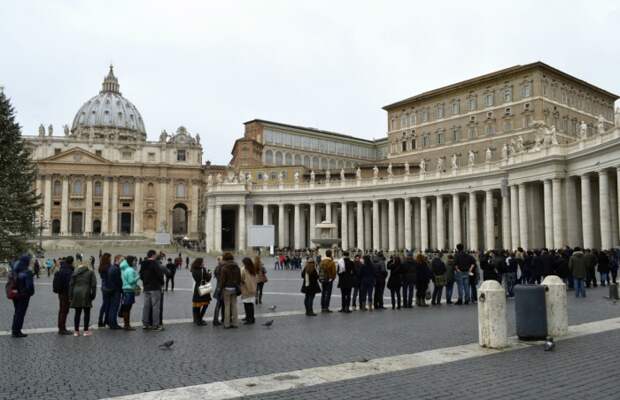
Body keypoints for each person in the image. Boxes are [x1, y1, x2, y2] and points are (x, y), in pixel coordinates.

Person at [70, 258, 97, 336]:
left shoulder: (75, 272)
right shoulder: (90, 272)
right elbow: (94, 285)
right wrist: (93, 295)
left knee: (77, 313)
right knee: (87, 312)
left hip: (76, 293)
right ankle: (85, 331)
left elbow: (71, 285)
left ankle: (76, 331)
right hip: (86, 292)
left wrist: (70, 295)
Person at [10, 255, 35, 338]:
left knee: (17, 312)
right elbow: (29, 286)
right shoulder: (27, 272)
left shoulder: (15, 270)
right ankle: (17, 331)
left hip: (15, 294)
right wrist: (29, 293)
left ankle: (14, 330)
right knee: (20, 313)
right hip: (23, 295)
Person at [140, 249, 164, 331]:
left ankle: (145, 324)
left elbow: (141, 275)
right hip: (155, 287)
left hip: (146, 287)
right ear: (153, 255)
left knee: (146, 306)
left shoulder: (143, 263)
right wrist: (161, 283)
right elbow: (160, 275)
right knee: (155, 307)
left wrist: (145, 282)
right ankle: (155, 325)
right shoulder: (155, 263)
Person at [218, 252, 241, 329]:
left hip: (226, 289)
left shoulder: (224, 268)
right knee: (234, 306)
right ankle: (235, 323)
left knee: (227, 306)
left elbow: (222, 281)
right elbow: (239, 278)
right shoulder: (237, 267)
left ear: (225, 258)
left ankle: (227, 324)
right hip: (234, 288)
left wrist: (220, 288)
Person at [53, 256, 74, 335]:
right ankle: (62, 329)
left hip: (61, 293)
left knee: (62, 310)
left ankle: (61, 327)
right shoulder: (68, 271)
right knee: (64, 311)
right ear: (71, 262)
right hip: (66, 293)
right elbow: (69, 285)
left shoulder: (62, 269)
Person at [190, 258, 212, 326]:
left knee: (197, 306)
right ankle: (200, 320)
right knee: (205, 304)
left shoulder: (193, 269)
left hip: (196, 288)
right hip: (203, 287)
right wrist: (210, 273)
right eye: (203, 262)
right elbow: (208, 279)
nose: (204, 263)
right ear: (200, 263)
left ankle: (197, 319)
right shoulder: (203, 269)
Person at [120, 256, 139, 330]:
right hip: (129, 290)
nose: (135, 262)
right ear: (131, 261)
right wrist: (138, 277)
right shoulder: (130, 270)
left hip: (125, 289)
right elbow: (131, 281)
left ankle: (126, 324)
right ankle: (127, 325)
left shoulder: (125, 269)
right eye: (134, 261)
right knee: (127, 308)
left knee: (126, 308)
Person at [107, 255, 123, 329]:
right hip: (116, 290)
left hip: (111, 289)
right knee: (114, 308)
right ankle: (113, 324)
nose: (123, 262)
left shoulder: (111, 267)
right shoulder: (116, 269)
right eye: (121, 260)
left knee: (112, 308)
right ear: (117, 259)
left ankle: (111, 322)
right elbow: (118, 281)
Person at [240, 257, 258, 324]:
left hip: (246, 289)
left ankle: (249, 319)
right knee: (250, 304)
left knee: (247, 304)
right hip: (253, 289)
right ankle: (251, 318)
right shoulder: (253, 269)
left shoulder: (244, 269)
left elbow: (241, 278)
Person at [97, 253, 112, 328]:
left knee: (104, 304)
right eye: (110, 258)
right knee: (107, 304)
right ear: (107, 259)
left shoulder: (101, 267)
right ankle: (106, 320)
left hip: (103, 287)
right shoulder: (108, 267)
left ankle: (100, 320)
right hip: (108, 287)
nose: (111, 259)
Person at [212, 256, 225, 326]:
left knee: (221, 304)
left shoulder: (217, 268)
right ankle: (215, 320)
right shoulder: (223, 268)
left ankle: (221, 318)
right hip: (222, 288)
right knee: (219, 304)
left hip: (218, 287)